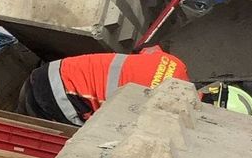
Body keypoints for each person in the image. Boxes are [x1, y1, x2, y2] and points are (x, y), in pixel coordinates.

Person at [17, 47, 190, 126]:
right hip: (56, 95)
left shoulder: (175, 63)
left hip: (50, 70)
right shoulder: (152, 102)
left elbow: (147, 49)